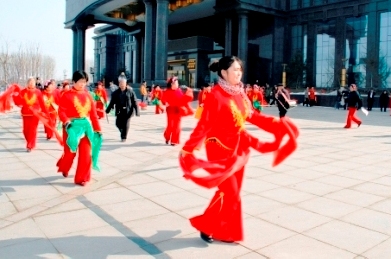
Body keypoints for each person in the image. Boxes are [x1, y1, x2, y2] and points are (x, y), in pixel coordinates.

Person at [179, 56, 299, 243]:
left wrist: (276, 123)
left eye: (240, 70)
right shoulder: (215, 95)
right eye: (235, 70)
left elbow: (252, 116)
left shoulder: (240, 93)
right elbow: (203, 126)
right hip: (219, 149)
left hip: (238, 147)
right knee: (231, 192)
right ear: (224, 73)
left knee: (231, 193)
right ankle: (209, 226)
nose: (238, 73)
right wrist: (188, 149)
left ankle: (222, 230)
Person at [56, 71, 102, 186]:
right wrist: (66, 122)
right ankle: (64, 167)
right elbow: (61, 111)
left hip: (86, 127)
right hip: (71, 127)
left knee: (86, 153)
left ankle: (82, 178)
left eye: (84, 82)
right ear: (74, 81)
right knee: (70, 152)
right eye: (80, 81)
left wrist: (98, 129)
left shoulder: (88, 96)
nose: (82, 84)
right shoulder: (66, 95)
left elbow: (93, 114)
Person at [12, 77, 48, 152]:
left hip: (35, 114)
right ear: (27, 83)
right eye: (29, 82)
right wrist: (15, 96)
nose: (31, 83)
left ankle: (30, 145)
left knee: (33, 130)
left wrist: (45, 112)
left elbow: (42, 103)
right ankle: (30, 142)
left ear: (35, 83)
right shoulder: (23, 92)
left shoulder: (38, 92)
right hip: (25, 114)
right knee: (25, 131)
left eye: (32, 82)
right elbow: (18, 102)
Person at [105, 73, 139, 142]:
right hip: (120, 111)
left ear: (126, 83)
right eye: (120, 83)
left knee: (126, 123)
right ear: (119, 83)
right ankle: (122, 131)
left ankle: (124, 137)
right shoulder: (115, 93)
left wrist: (137, 111)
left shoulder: (130, 92)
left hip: (128, 111)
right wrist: (107, 110)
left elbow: (135, 101)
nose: (122, 84)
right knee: (117, 123)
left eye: (123, 83)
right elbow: (112, 102)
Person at [161, 76, 193, 146]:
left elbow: (182, 99)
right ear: (172, 84)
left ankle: (174, 141)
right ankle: (167, 136)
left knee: (177, 126)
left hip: (178, 110)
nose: (177, 84)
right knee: (170, 125)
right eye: (176, 83)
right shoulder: (166, 91)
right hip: (170, 110)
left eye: (177, 83)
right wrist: (165, 103)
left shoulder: (179, 90)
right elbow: (163, 100)